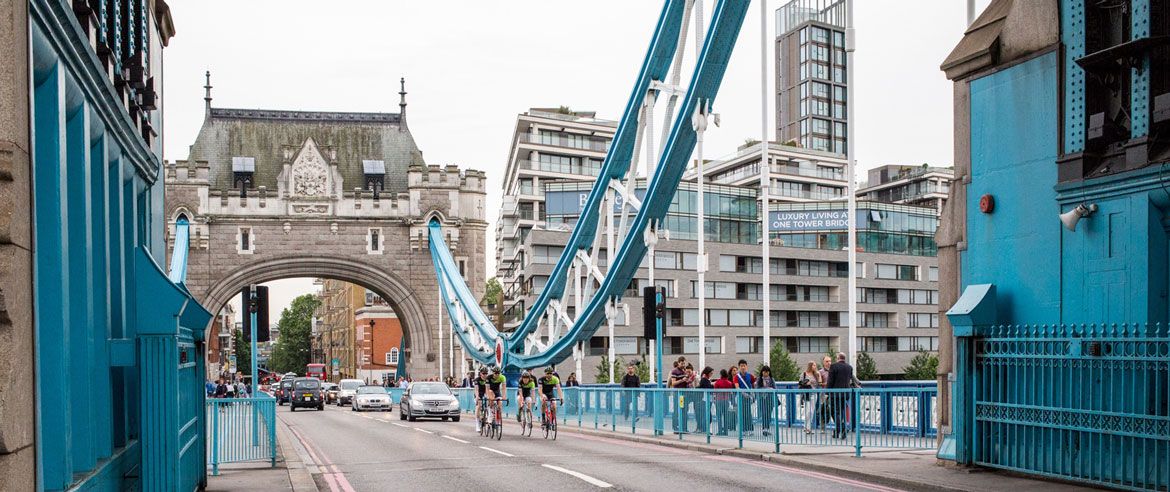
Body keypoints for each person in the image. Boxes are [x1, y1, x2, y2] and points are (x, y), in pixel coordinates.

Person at [826, 352, 854, 439]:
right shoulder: (849, 367)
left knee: (834, 412)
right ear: (844, 358)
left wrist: (827, 392)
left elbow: (830, 380)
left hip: (835, 394)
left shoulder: (834, 366)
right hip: (845, 393)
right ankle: (841, 429)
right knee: (841, 412)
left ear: (838, 358)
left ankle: (840, 428)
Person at [799, 361, 823, 434]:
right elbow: (800, 383)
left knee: (812, 411)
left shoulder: (816, 374)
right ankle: (806, 426)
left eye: (815, 365)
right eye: (813, 365)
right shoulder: (804, 374)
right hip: (806, 394)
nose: (815, 367)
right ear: (810, 366)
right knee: (808, 411)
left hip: (814, 394)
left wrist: (819, 375)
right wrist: (806, 383)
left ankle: (808, 427)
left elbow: (819, 383)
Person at [734, 360, 755, 432]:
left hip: (749, 397)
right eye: (741, 366)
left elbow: (754, 386)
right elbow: (737, 387)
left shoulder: (750, 376)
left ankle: (750, 429)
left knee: (748, 413)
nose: (743, 367)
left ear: (746, 366)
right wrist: (744, 393)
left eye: (744, 366)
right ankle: (743, 430)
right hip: (741, 397)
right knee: (742, 413)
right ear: (739, 367)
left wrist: (752, 394)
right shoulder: (736, 377)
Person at [713, 368, 735, 435]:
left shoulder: (717, 382)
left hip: (718, 401)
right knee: (726, 416)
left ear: (720, 374)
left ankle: (720, 431)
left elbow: (715, 392)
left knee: (719, 416)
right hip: (726, 401)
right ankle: (726, 431)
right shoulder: (729, 383)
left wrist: (714, 400)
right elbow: (731, 392)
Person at [755, 366, 775, 436]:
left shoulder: (771, 379)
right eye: (764, 371)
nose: (765, 373)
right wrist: (765, 389)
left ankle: (767, 428)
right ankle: (764, 429)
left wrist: (770, 389)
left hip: (770, 399)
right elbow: (757, 388)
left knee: (768, 414)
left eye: (767, 371)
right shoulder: (759, 379)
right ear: (762, 372)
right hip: (762, 399)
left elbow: (775, 388)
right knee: (764, 414)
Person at [697, 367, 714, 433]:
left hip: (708, 399)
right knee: (707, 415)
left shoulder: (705, 379)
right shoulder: (704, 379)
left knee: (707, 414)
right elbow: (708, 387)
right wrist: (713, 385)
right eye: (711, 373)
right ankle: (705, 429)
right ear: (707, 373)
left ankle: (705, 429)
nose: (711, 374)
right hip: (706, 399)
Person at [473, 367, 490, 432]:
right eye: (483, 373)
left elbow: (487, 389)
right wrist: (477, 397)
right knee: (479, 406)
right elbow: (476, 390)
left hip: (484, 392)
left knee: (489, 402)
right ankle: (477, 423)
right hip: (478, 393)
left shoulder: (487, 380)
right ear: (480, 373)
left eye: (486, 373)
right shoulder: (477, 380)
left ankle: (488, 417)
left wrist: (488, 396)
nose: (485, 375)